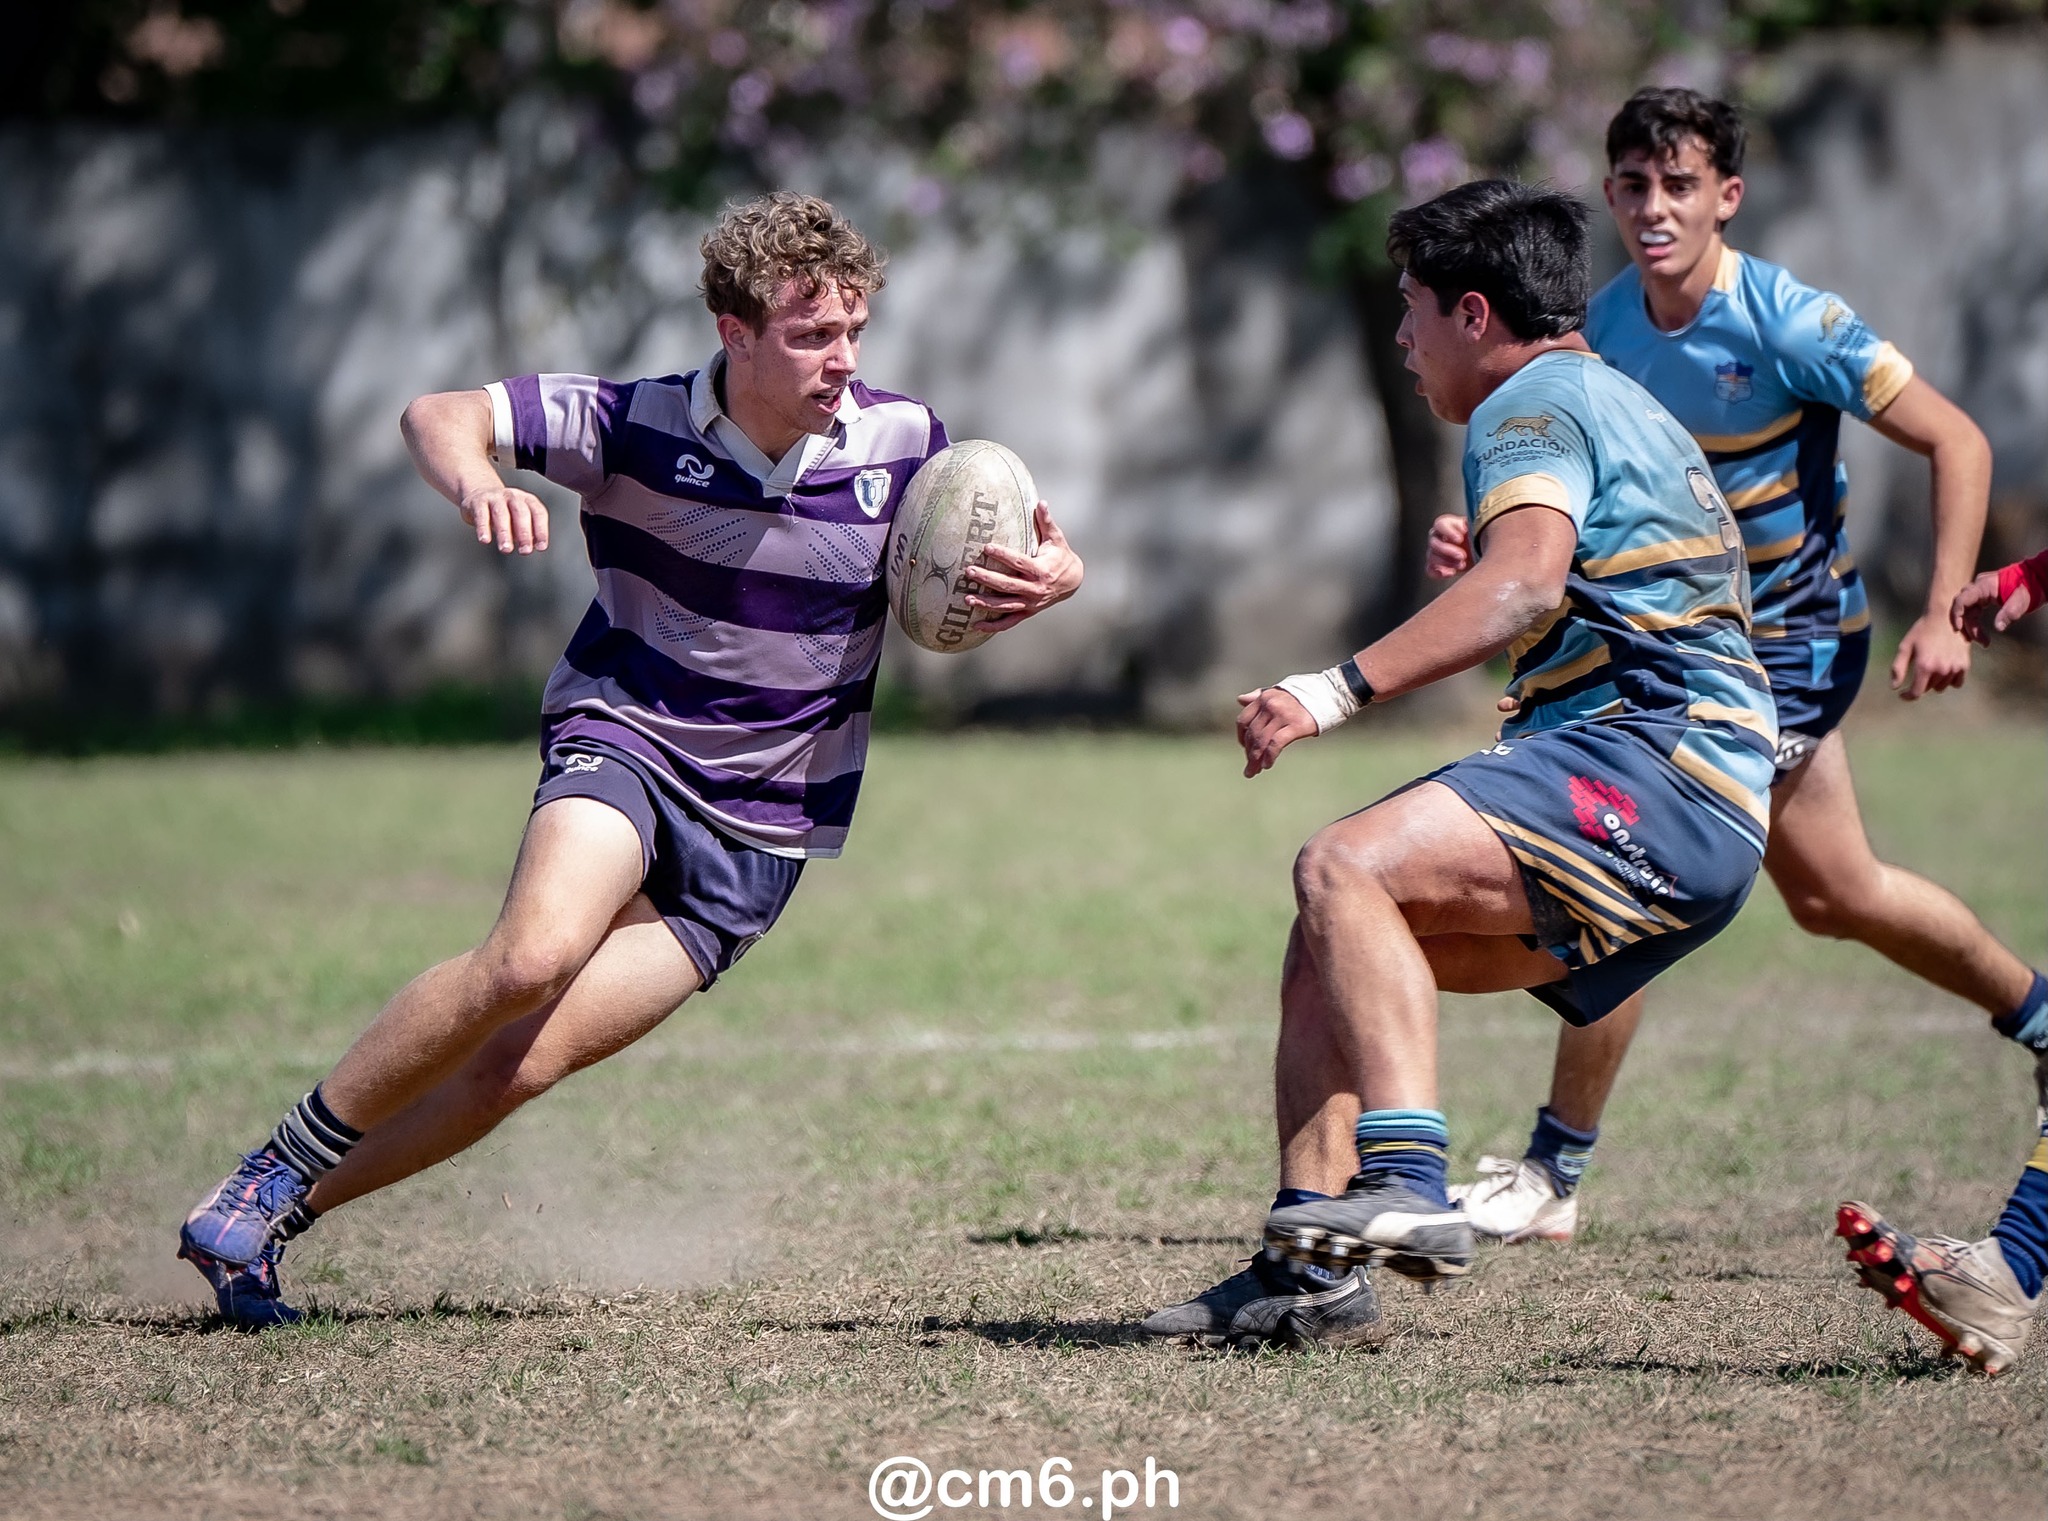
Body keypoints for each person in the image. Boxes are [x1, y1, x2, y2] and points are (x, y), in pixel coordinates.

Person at [176, 191, 1084, 1326]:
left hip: (767, 821)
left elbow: (1012, 547)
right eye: (810, 335)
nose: (840, 360)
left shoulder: (908, 443)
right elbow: (437, 411)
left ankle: (260, 1217)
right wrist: (476, 482)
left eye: (852, 331)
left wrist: (1059, 576)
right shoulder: (626, 422)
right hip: (629, 737)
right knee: (527, 959)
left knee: (515, 1067)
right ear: (733, 331)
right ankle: (270, 1167)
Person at [1430, 89, 2048, 1376]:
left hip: (1784, 653)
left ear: (1726, 197)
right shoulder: (1594, 331)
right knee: (1833, 895)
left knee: (1638, 861)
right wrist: (1493, 547)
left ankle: (1553, 1169)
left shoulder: (1787, 320)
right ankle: (2038, 1015)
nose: (1651, 211)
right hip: (1667, 652)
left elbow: (1954, 436)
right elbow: (1577, 499)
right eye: (1629, 187)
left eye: (1676, 186)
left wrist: (1944, 605)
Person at [1142, 178, 1778, 1349]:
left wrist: (1327, 690)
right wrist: (1501, 561)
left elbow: (1528, 581)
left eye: (1411, 308)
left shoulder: (1523, 405)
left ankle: (1404, 1182)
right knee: (1329, 945)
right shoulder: (1603, 398)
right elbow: (1573, 574)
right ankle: (1309, 1265)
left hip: (1655, 767)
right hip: (1707, 808)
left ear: (1473, 314)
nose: (1400, 337)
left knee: (1341, 865)